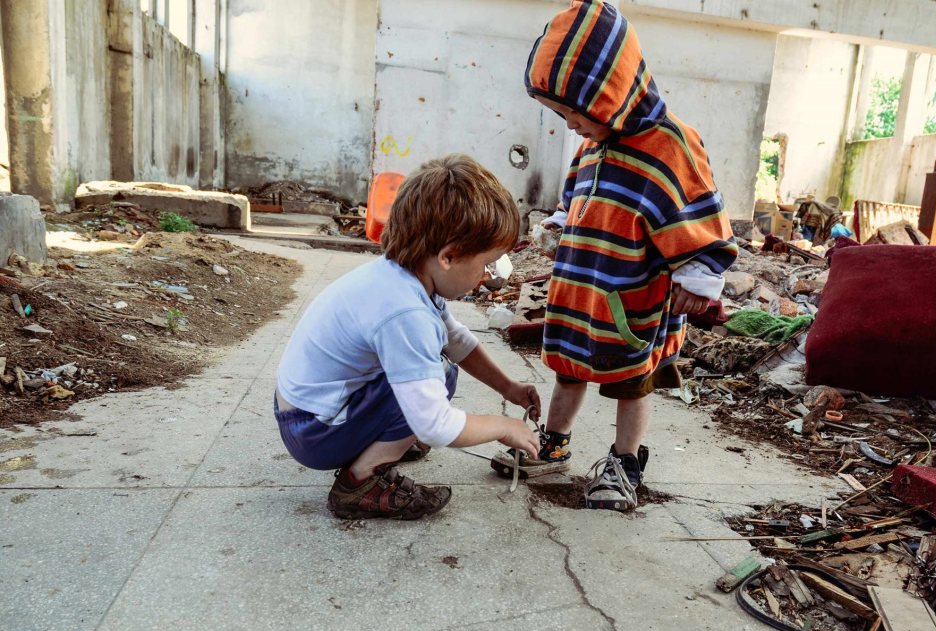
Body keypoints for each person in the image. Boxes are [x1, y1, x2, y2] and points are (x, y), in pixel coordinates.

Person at [491, 0, 737, 511]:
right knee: (569, 368)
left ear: (612, 94)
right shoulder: (595, 144)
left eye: (576, 113)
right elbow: (577, 192)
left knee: (631, 378)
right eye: (561, 115)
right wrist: (560, 224)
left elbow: (697, 208)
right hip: (580, 285)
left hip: (632, 292)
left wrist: (698, 276)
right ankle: (553, 442)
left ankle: (624, 462)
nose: (571, 125)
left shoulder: (671, 144)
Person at [275, 154, 541, 520]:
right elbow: (435, 425)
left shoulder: (405, 275)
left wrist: (508, 387)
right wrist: (504, 427)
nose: (487, 276)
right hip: (314, 431)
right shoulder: (405, 313)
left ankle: (379, 441)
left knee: (441, 369)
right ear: (449, 256)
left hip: (309, 411)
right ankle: (360, 482)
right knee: (433, 380)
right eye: (487, 263)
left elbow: (456, 340)